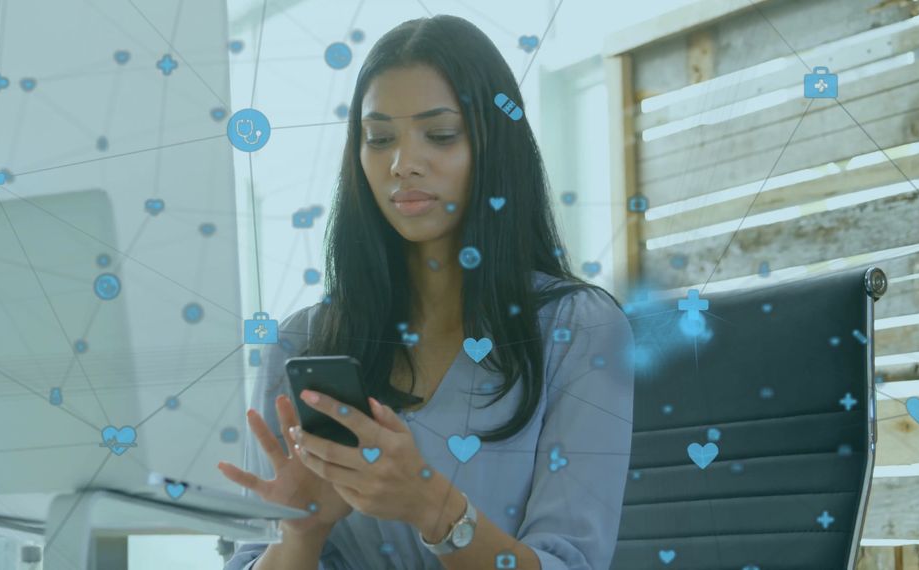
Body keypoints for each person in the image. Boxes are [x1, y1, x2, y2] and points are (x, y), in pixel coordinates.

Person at [218, 13, 635, 570]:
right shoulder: (302, 344)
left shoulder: (579, 329)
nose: (403, 164)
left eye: (440, 135)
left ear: (494, 145)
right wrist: (300, 536)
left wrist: (432, 506)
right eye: (379, 138)